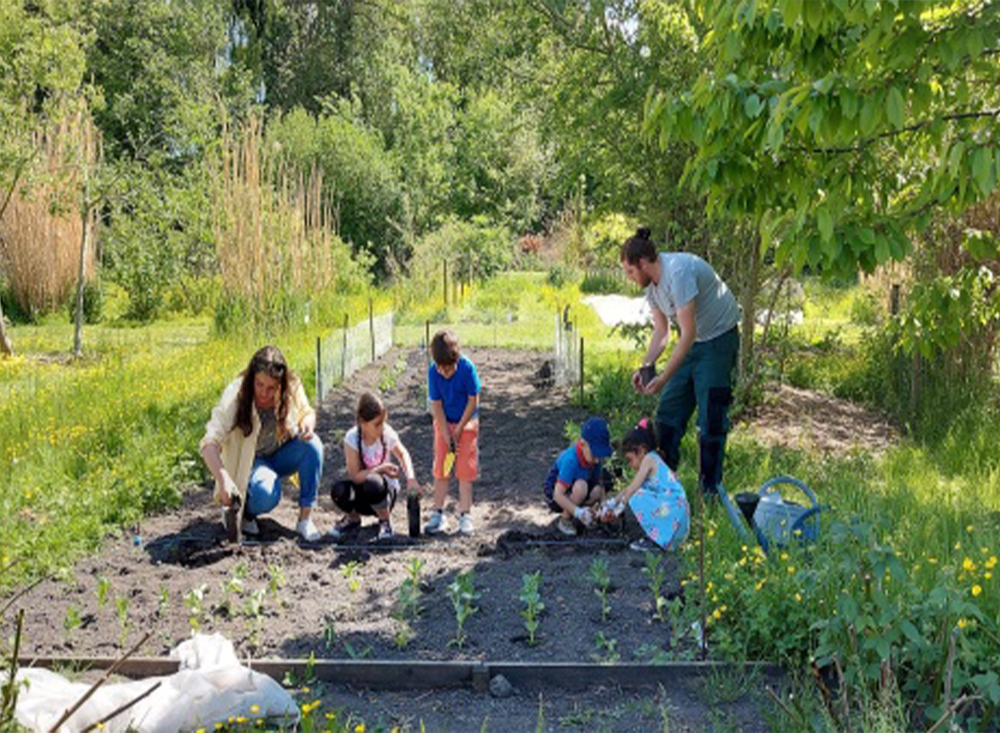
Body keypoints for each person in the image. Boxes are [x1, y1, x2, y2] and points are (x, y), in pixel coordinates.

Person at [621, 226, 740, 500]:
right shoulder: (652, 288)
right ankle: (665, 485)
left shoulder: (678, 273)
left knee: (711, 416)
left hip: (718, 340)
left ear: (642, 263)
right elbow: (662, 333)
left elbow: (687, 334)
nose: (629, 278)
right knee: (667, 412)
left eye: (630, 271)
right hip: (694, 342)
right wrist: (646, 366)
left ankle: (709, 491)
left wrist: (662, 378)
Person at [200, 345, 324, 542]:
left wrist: (307, 424)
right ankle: (242, 510)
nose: (264, 393)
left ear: (280, 386)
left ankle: (305, 520)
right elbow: (209, 442)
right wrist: (223, 480)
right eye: (259, 385)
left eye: (271, 388)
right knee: (266, 493)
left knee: (313, 445)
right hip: (252, 461)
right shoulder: (237, 394)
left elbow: (307, 411)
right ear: (252, 380)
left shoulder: (291, 387)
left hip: (281, 453)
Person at [328, 391, 420, 541]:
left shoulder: (387, 434)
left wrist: (411, 479)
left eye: (383, 422)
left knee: (374, 482)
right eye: (377, 424)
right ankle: (352, 519)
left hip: (383, 494)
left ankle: (385, 521)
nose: (381, 427)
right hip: (363, 494)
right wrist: (380, 469)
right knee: (339, 490)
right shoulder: (352, 438)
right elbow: (356, 477)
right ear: (362, 423)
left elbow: (403, 454)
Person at [425, 329, 481, 536]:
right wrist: (446, 434)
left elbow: (473, 400)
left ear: (456, 360)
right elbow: (436, 405)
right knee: (442, 468)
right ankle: (438, 513)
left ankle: (465, 514)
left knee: (465, 470)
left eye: (449, 370)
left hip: (466, 424)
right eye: (442, 370)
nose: (445, 374)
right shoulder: (433, 372)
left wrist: (458, 430)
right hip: (444, 424)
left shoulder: (467, 369)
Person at [609, 419, 689, 552]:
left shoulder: (649, 459)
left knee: (637, 495)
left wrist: (619, 508)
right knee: (637, 493)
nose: (630, 465)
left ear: (641, 451)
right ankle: (661, 538)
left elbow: (633, 488)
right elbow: (627, 488)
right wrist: (612, 502)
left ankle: (655, 539)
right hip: (678, 517)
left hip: (673, 509)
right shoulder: (654, 459)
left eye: (630, 460)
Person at [544, 417, 614, 536]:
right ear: (582, 444)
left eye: (600, 455)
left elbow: (600, 484)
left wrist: (603, 505)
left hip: (578, 488)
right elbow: (557, 494)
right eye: (595, 454)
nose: (597, 460)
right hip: (558, 494)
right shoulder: (570, 460)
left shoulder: (595, 460)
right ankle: (565, 519)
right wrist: (578, 512)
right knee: (581, 487)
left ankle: (587, 515)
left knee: (596, 490)